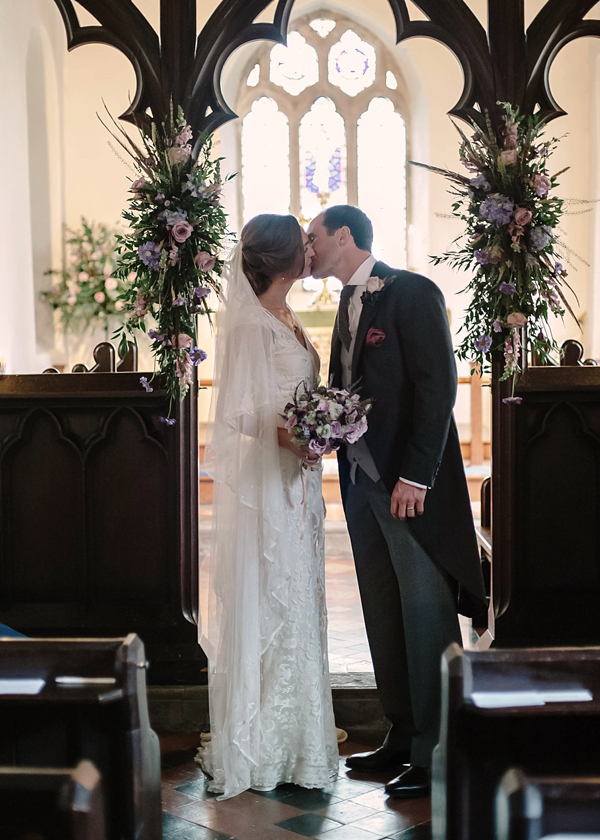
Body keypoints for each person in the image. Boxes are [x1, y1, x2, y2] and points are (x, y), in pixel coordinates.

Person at [307, 205, 486, 799]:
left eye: (313, 238)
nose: (307, 249)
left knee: (426, 614)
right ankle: (404, 734)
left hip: (410, 488)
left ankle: (441, 751)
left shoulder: (411, 291)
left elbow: (438, 388)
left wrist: (417, 476)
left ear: (343, 236)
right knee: (383, 612)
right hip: (362, 484)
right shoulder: (344, 303)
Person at [198, 214, 338, 800]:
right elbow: (243, 410)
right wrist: (298, 438)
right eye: (303, 243)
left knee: (300, 595)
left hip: (297, 485)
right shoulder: (254, 326)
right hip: (270, 484)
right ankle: (261, 743)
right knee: (272, 591)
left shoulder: (289, 318)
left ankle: (300, 736)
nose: (311, 250)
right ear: (283, 260)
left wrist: (321, 429)